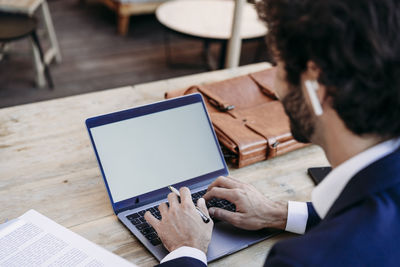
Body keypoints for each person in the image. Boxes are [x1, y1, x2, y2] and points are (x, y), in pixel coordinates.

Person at [144, 0, 400, 265]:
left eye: (278, 65)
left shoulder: (302, 260)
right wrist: (278, 214)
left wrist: (187, 249)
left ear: (316, 86)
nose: (276, 86)